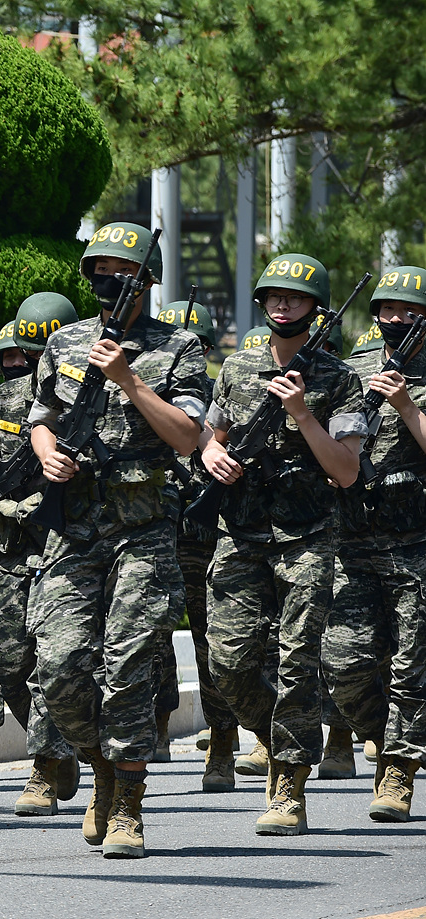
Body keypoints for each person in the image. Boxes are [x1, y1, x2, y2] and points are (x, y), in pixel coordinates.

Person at [28, 221, 207, 858]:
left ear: (145, 279)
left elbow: (188, 436)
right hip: (75, 528)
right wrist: (48, 454)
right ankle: (100, 767)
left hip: (143, 529)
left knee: (129, 669)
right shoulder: (64, 343)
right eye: (97, 268)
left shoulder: (179, 347)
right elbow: (41, 418)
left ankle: (128, 803)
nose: (107, 279)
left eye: (119, 268)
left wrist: (130, 380)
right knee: (57, 668)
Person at [203, 252, 365, 836]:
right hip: (241, 532)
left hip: (308, 535)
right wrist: (210, 453)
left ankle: (290, 786)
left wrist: (301, 414)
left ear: (315, 307)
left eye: (294, 298)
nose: (281, 304)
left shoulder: (340, 380)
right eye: (273, 296)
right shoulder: (237, 370)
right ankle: (276, 742)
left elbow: (346, 470)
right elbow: (212, 436)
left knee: (298, 661)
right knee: (228, 663)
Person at [0, 293, 81, 816]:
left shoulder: (84, 400)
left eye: (39, 355)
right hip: (5, 549)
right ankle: (59, 751)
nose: (28, 366)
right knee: (3, 658)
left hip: (60, 547)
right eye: (24, 353)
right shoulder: (2, 400)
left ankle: (43, 772)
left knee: (49, 663)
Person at [325, 265, 426, 821]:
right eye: (387, 310)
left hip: (415, 538)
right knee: (344, 663)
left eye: (409, 311)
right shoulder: (352, 369)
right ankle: (382, 733)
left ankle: (396, 773)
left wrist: (409, 406)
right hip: (354, 536)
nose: (396, 319)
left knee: (412, 662)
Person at [151, 300, 242, 789]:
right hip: (153, 530)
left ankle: (222, 741)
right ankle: (156, 725)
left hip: (202, 538)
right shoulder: (145, 391)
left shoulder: (213, 402)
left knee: (212, 644)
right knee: (148, 640)